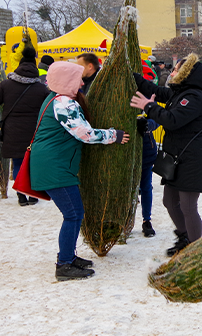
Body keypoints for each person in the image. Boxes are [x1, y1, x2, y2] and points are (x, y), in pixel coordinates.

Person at [30, 61, 129, 281]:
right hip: (55, 167)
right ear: (66, 80)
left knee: (74, 213)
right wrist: (114, 135)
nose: (82, 82)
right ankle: (64, 264)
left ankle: (69, 256)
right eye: (78, 78)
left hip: (54, 164)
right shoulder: (64, 103)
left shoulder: (56, 98)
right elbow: (84, 134)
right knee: (73, 214)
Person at [130, 54, 202, 256]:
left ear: (186, 75)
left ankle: (195, 250)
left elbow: (172, 120)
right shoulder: (180, 93)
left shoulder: (193, 97)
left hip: (193, 158)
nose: (172, 72)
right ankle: (184, 237)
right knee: (169, 201)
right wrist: (132, 76)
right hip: (178, 156)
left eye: (176, 70)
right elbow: (156, 91)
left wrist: (148, 107)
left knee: (187, 205)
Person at [0, 45, 51, 206]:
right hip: (35, 131)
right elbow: (49, 107)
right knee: (33, 163)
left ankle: (21, 196)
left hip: (12, 130)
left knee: (19, 163)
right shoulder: (41, 88)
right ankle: (33, 195)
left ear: (19, 66)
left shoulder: (6, 85)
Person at [138, 115, 159, 237]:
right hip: (123, 151)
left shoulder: (146, 97)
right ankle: (123, 221)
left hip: (145, 151)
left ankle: (147, 220)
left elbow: (158, 118)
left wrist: (147, 124)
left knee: (146, 186)